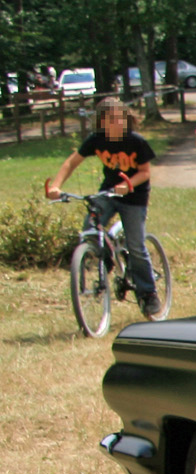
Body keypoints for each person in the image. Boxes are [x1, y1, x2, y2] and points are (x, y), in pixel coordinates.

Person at [45, 97, 161, 315]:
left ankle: (148, 294)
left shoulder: (136, 141)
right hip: (107, 192)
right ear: (102, 122)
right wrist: (57, 186)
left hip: (134, 197)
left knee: (136, 246)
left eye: (119, 118)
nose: (116, 123)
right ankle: (103, 259)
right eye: (111, 120)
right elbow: (71, 162)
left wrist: (128, 186)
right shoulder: (96, 140)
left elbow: (145, 172)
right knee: (89, 230)